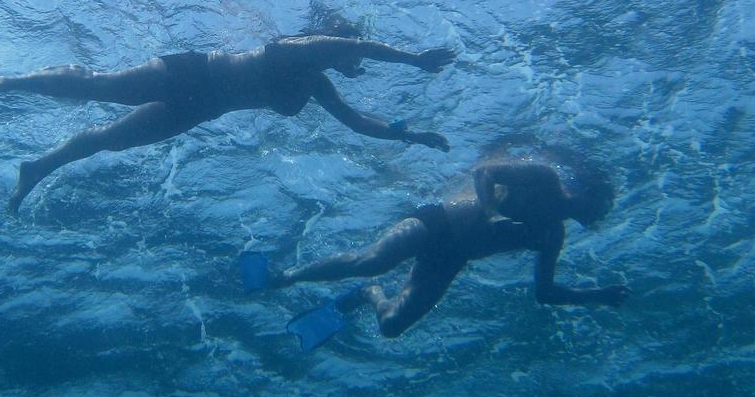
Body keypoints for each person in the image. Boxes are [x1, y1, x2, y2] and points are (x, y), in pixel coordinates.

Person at [0, 35, 455, 211]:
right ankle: (6, 82)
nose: (356, 68)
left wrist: (407, 132)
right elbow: (360, 47)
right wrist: (415, 60)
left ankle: (37, 167)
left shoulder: (317, 86)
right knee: (103, 85)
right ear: (336, 44)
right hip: (193, 71)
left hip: (199, 109)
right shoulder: (299, 48)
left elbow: (356, 121)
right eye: (350, 58)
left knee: (109, 142)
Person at [245, 144, 627, 347]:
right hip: (439, 220)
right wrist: (491, 209)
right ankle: (285, 276)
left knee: (392, 325)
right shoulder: (543, 179)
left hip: (452, 256)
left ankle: (369, 296)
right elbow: (484, 171)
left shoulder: (553, 235)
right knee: (373, 259)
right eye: (604, 204)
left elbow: (545, 293)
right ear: (588, 193)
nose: (603, 214)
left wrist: (599, 296)